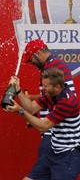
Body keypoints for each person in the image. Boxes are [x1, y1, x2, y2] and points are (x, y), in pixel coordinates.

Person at [6, 68, 80, 179]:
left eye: (45, 86)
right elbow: (31, 108)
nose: (43, 89)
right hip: (53, 152)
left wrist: (20, 111)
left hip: (68, 157)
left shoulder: (67, 102)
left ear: (57, 87)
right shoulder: (50, 95)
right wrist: (18, 90)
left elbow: (43, 126)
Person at [21, 39, 76, 175]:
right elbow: (50, 98)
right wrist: (31, 98)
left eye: (32, 59)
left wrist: (22, 107)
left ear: (38, 53)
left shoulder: (53, 67)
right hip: (53, 131)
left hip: (54, 132)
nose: (32, 63)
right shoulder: (53, 65)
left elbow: (65, 96)